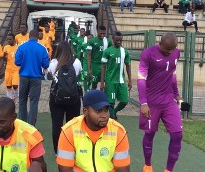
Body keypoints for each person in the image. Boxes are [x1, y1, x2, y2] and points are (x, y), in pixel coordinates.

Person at [137, 32, 183, 172]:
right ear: (160, 44)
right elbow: (141, 79)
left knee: (177, 134)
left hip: (168, 101)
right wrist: (144, 103)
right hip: (151, 102)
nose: (170, 52)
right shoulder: (148, 54)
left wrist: (176, 94)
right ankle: (148, 166)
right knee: (150, 133)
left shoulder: (176, 53)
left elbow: (172, 74)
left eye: (172, 49)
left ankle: (169, 170)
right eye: (167, 49)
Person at [56, 90, 131, 172]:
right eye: (98, 111)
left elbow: (123, 169)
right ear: (85, 111)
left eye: (106, 110)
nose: (104, 115)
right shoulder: (69, 131)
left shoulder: (118, 131)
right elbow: (65, 169)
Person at [48, 41, 82, 154]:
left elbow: (49, 75)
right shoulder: (76, 62)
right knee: (72, 125)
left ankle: (57, 150)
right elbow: (78, 75)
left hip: (56, 98)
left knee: (57, 125)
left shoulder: (53, 63)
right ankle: (71, 148)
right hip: (73, 97)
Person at [15, 29, 49, 126]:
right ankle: (31, 126)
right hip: (36, 78)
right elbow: (46, 65)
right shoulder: (42, 48)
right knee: (34, 102)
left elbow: (17, 62)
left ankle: (22, 124)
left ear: (29, 36)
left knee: (22, 100)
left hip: (24, 77)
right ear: (38, 37)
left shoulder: (21, 47)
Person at [100, 31, 132, 119]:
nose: (119, 42)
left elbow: (128, 66)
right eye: (117, 40)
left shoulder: (124, 51)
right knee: (111, 102)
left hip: (121, 80)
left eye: (120, 40)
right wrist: (102, 82)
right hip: (110, 81)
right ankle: (112, 118)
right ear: (113, 39)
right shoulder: (107, 51)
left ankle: (114, 112)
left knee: (125, 101)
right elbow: (103, 67)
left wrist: (129, 80)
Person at [87, 25, 112, 90]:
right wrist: (89, 68)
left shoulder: (108, 41)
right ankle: (94, 97)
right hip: (95, 65)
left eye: (104, 33)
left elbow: (110, 54)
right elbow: (89, 55)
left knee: (105, 83)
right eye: (101, 33)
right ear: (97, 31)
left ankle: (104, 98)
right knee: (94, 84)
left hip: (105, 65)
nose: (102, 35)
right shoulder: (91, 41)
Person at [3, 33, 19, 101]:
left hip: (16, 69)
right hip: (8, 69)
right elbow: (4, 59)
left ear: (14, 40)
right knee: (8, 86)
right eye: (7, 39)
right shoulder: (6, 47)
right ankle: (9, 99)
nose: (8, 41)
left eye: (10, 39)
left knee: (15, 85)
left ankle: (16, 96)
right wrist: (4, 56)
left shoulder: (18, 47)